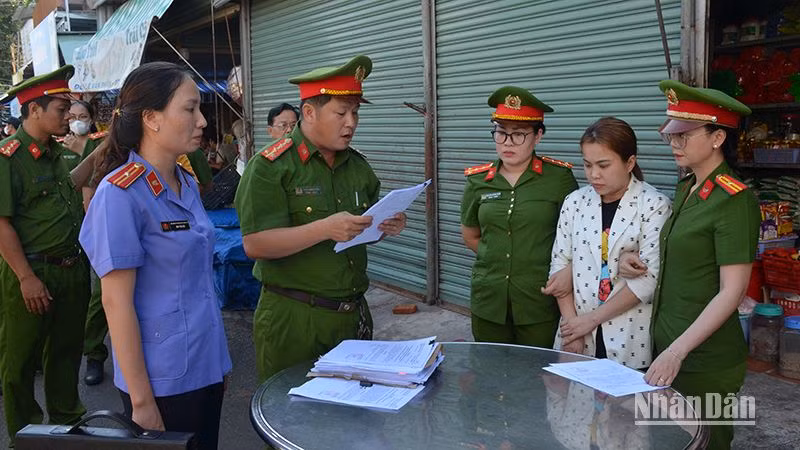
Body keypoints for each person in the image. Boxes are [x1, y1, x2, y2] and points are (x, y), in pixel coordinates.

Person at [79, 62, 232, 449]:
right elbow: (116, 303)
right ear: (151, 118)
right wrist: (141, 400)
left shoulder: (185, 183)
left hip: (206, 363)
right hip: (161, 379)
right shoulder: (121, 194)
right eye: (189, 108)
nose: (201, 121)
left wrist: (216, 362)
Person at [235, 54, 407, 381]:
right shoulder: (271, 167)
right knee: (291, 418)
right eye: (341, 113)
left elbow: (363, 226)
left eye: (355, 112)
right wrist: (325, 228)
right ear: (309, 112)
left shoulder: (357, 166)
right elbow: (255, 244)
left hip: (350, 316)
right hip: (295, 320)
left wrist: (386, 226)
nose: (351, 123)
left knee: (351, 421)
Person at [621, 80, 758, 449]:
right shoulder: (688, 187)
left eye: (685, 135)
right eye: (672, 135)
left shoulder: (733, 200)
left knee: (706, 443)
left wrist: (677, 352)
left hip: (704, 359)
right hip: (667, 349)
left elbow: (732, 292)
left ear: (717, 138)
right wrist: (629, 259)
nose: (675, 143)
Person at [0, 65, 90, 445]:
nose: (67, 115)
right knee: (20, 361)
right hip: (33, 271)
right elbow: (1, 224)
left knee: (67, 353)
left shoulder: (56, 153)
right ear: (33, 110)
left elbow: (69, 190)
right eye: (59, 108)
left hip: (70, 268)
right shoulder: (9, 158)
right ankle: (26, 434)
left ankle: (67, 423)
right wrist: (26, 277)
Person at [547, 117, 671, 368]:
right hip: (576, 333)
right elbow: (559, 267)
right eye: (588, 164)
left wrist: (590, 321)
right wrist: (573, 327)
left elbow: (648, 281)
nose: (594, 174)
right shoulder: (575, 202)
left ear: (630, 162)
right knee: (573, 403)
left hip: (629, 335)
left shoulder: (654, 205)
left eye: (604, 165)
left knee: (624, 404)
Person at [460, 86, 578, 347]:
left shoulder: (559, 179)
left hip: (539, 299)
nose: (508, 143)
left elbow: (577, 238)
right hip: (489, 299)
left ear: (538, 136)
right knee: (489, 371)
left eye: (519, 135)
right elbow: (470, 235)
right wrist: (500, 258)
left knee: (537, 377)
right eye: (501, 133)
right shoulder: (478, 181)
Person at [61, 100, 106, 171]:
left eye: (83, 117)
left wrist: (81, 150)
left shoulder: (103, 141)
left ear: (92, 119)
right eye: (72, 117)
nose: (77, 121)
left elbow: (105, 168)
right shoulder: (62, 143)